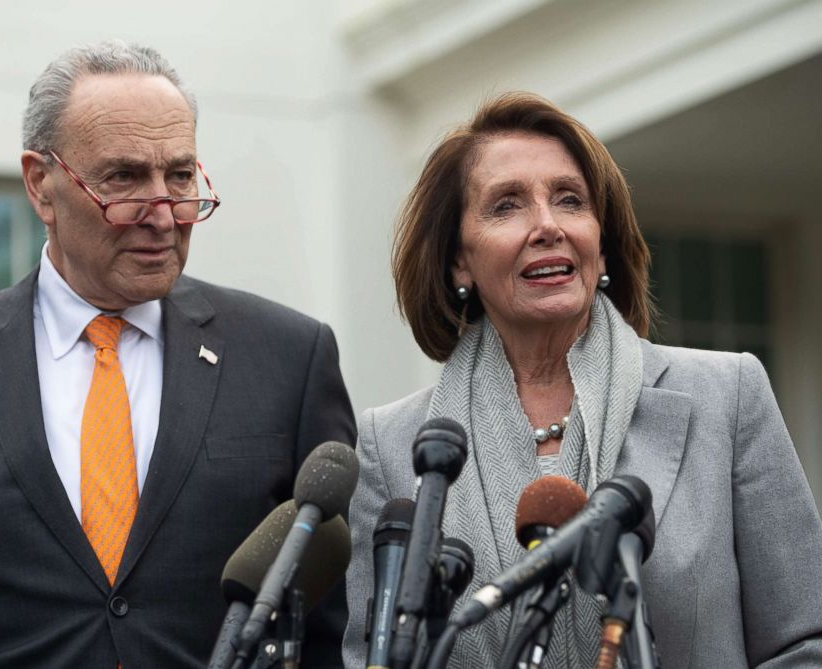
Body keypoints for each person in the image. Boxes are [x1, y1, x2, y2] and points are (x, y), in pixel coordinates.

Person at [0, 40, 355, 668]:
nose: (163, 214)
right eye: (124, 178)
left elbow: (327, 637)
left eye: (182, 176)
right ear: (40, 185)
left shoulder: (289, 359)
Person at [343, 92, 822, 668]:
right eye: (506, 206)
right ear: (458, 262)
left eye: (570, 200)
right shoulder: (393, 446)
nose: (547, 225)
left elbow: (804, 641)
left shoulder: (727, 395)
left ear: (601, 245)